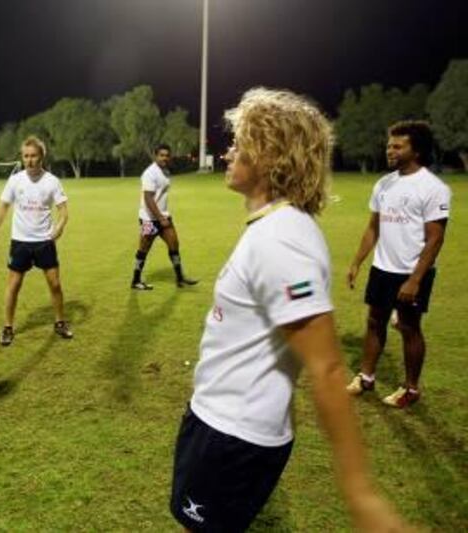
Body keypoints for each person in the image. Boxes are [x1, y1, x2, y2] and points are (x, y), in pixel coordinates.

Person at [169, 89, 408, 532]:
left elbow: (328, 369)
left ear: (271, 155)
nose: (228, 152)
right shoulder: (277, 227)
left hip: (231, 435)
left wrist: (362, 497)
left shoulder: (283, 239)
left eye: (240, 143)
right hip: (222, 422)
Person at [346, 121, 450, 408]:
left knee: (409, 327)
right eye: (389, 145)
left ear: (415, 151)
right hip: (383, 269)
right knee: (374, 321)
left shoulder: (432, 188)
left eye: (397, 146)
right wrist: (357, 262)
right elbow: (372, 229)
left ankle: (411, 389)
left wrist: (415, 279)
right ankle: (366, 377)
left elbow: (435, 239)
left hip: (412, 272)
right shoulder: (384, 183)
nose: (389, 150)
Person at [0, 136, 73, 346]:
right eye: (26, 156)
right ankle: (8, 327)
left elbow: (64, 211)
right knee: (14, 285)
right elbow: (4, 206)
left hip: (44, 241)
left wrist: (60, 228)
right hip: (20, 242)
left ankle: (60, 322)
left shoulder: (52, 181)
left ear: (42, 156)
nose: (29, 160)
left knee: (55, 284)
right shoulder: (15, 180)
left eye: (33, 155)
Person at [130, 143, 198, 290]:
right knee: (144, 248)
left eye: (167, 155)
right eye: (161, 155)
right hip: (149, 218)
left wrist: (163, 217)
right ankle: (135, 281)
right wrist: (160, 218)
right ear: (155, 156)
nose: (164, 158)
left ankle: (180, 279)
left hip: (163, 216)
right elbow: (148, 199)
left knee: (174, 244)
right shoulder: (150, 173)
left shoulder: (165, 171)